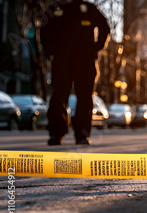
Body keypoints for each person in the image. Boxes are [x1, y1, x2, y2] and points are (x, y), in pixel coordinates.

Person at [41, 0, 110, 145]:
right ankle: (56, 134)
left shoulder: (89, 9)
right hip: (62, 61)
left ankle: (82, 135)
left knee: (85, 97)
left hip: (85, 61)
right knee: (58, 97)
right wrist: (49, 51)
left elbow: (104, 27)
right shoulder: (55, 9)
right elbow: (44, 29)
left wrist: (96, 47)